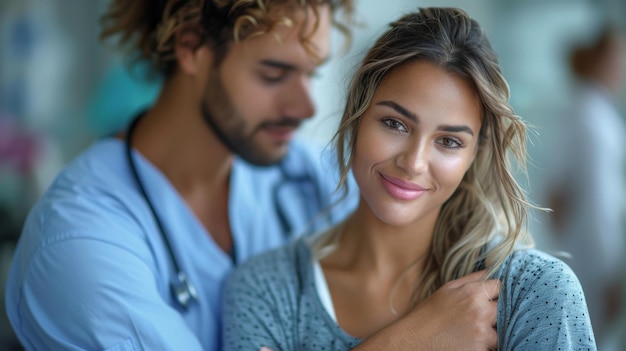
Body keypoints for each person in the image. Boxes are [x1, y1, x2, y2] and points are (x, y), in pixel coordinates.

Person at [4, 2, 506, 351]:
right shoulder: (81, 245)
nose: (305, 105)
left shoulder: (303, 177)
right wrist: (413, 340)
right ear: (192, 46)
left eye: (310, 73)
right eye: (273, 74)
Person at [222, 7, 597, 350]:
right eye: (395, 124)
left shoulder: (532, 292)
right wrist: (411, 338)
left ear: (474, 154)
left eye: (449, 141)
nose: (414, 162)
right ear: (355, 116)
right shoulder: (266, 290)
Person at [542, 25, 626, 350]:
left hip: (595, 243)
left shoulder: (597, 110)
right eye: (618, 57)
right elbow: (564, 192)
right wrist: (578, 255)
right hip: (588, 247)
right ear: (600, 60)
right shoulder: (586, 115)